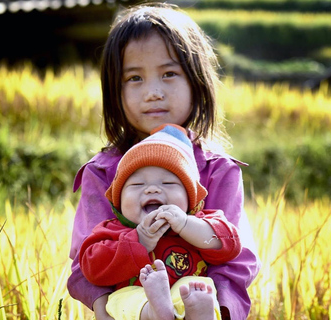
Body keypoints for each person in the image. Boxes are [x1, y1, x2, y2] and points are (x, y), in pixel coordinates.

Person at [67, 3, 260, 320]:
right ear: (115, 90)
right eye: (134, 78)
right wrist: (104, 310)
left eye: (169, 74)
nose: (153, 92)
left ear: (197, 82)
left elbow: (237, 257)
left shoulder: (218, 170)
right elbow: (85, 258)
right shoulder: (101, 173)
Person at [79, 123, 242, 320]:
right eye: (138, 184)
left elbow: (229, 243)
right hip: (136, 293)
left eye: (168, 183)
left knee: (197, 289)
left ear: (190, 198)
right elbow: (92, 268)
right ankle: (154, 311)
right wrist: (139, 240)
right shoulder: (112, 230)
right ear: (118, 202)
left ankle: (199, 314)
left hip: (185, 293)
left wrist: (186, 225)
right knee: (120, 300)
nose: (152, 189)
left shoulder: (200, 221)